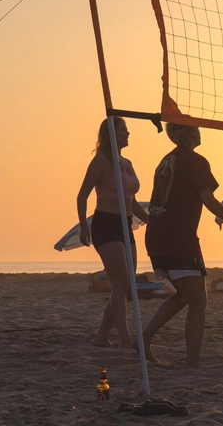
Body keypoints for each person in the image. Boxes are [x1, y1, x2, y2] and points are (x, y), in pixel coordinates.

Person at [140, 123, 223, 368]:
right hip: (178, 237)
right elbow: (208, 199)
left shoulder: (165, 161)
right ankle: (193, 365)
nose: (201, 131)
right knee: (198, 300)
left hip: (156, 235)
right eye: (198, 128)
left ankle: (144, 337)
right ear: (191, 133)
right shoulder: (195, 160)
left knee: (183, 295)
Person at [74, 117, 151, 349]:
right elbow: (82, 196)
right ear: (111, 134)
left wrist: (150, 221)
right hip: (105, 225)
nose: (128, 134)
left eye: (127, 130)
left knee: (126, 286)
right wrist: (83, 226)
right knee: (121, 283)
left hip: (126, 225)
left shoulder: (127, 163)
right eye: (123, 130)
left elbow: (133, 201)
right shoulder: (101, 162)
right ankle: (126, 339)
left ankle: (102, 336)